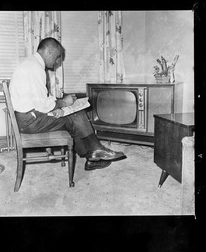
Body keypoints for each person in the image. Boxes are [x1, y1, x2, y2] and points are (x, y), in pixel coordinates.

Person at [10, 37, 126, 171]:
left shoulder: (31, 64)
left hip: (30, 116)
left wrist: (56, 107)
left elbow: (37, 99)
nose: (57, 61)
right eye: (57, 56)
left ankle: (93, 155)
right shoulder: (35, 68)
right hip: (30, 121)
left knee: (73, 115)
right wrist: (63, 103)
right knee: (75, 115)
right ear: (49, 51)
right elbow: (42, 104)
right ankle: (95, 151)